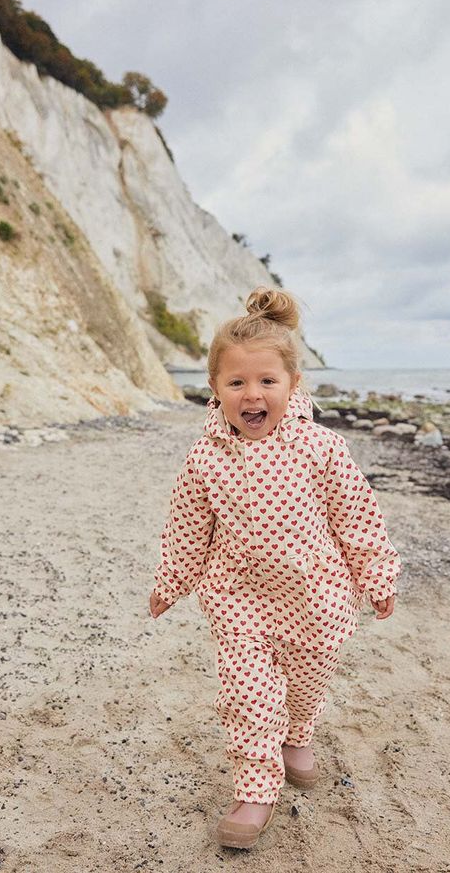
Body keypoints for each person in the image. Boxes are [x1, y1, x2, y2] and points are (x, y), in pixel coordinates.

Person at [149, 287, 402, 849]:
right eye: (236, 382)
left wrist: (378, 575)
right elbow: (189, 528)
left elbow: (357, 515)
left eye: (267, 381)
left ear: (293, 385)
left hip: (317, 598)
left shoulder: (322, 448)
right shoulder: (205, 457)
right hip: (239, 598)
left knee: (306, 683)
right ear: (214, 389)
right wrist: (172, 582)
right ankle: (256, 789)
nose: (252, 394)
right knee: (249, 693)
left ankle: (299, 733)